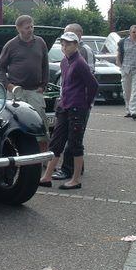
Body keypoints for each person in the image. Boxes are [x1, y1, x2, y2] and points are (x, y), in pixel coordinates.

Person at [40, 32, 98, 189]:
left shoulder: (80, 62)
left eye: (69, 44)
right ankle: (46, 177)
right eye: (63, 44)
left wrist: (86, 103)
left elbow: (93, 85)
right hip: (64, 106)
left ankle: (76, 179)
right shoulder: (64, 61)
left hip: (77, 108)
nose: (65, 47)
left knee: (75, 144)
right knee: (56, 142)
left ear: (76, 45)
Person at [0, 15, 50, 152]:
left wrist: (43, 85)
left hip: (34, 92)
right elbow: (0, 67)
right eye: (27, 27)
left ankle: (44, 160)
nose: (30, 30)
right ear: (18, 28)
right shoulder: (11, 45)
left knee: (41, 126)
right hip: (16, 92)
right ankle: (16, 155)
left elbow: (45, 65)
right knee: (13, 125)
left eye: (32, 26)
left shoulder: (41, 42)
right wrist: (8, 85)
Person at [52, 23, 95, 180]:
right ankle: (76, 168)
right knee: (71, 137)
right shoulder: (66, 57)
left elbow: (90, 80)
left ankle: (68, 170)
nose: (65, 42)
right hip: (67, 101)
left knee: (75, 139)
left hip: (79, 103)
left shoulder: (84, 52)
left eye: (69, 34)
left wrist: (87, 102)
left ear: (78, 35)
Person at [117, 25, 136, 120]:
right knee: (127, 91)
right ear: (130, 32)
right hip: (125, 69)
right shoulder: (123, 42)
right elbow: (119, 54)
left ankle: (134, 110)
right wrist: (119, 64)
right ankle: (128, 110)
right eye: (134, 32)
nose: (135, 34)